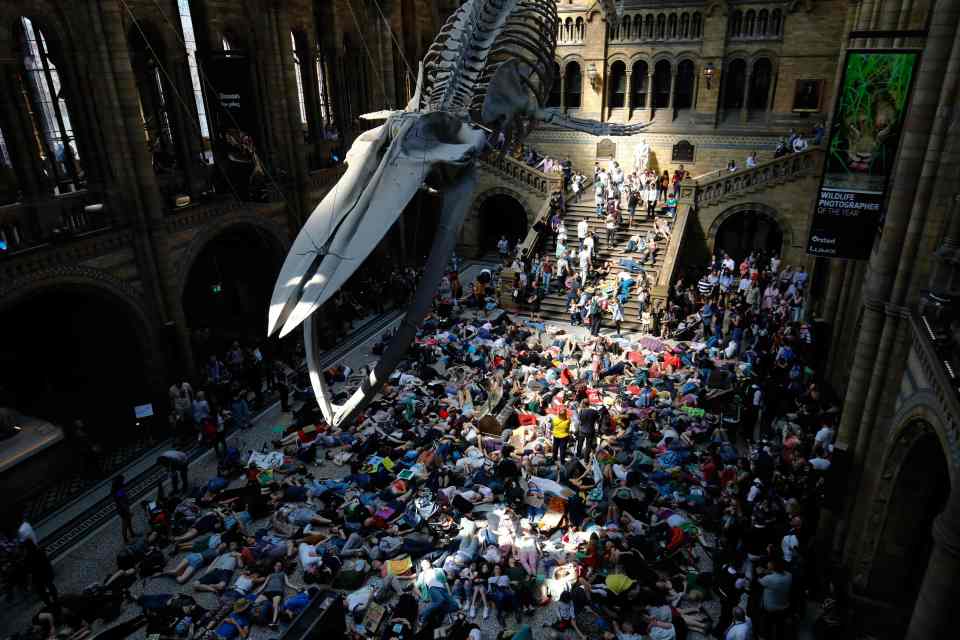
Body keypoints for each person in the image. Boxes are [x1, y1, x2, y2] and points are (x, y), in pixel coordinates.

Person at [757, 559, 792, 640]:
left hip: (770, 609)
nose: (768, 563)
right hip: (784, 607)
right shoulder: (789, 576)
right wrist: (768, 571)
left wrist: (759, 573)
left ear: (773, 566)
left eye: (770, 562)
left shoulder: (769, 579)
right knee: (780, 629)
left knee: (768, 629)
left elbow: (759, 580)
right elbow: (777, 574)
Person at [23, 539, 57, 606]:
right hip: (46, 572)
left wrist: (29, 583)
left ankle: (49, 604)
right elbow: (47, 561)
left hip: (37, 577)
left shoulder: (27, 558)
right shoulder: (40, 550)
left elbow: (28, 571)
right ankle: (56, 599)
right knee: (50, 586)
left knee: (42, 592)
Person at [112, 475, 135, 543]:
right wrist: (128, 512)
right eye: (122, 480)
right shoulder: (119, 491)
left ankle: (132, 534)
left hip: (123, 508)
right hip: (123, 510)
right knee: (125, 524)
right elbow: (122, 503)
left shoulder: (118, 490)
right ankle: (125, 540)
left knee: (128, 522)